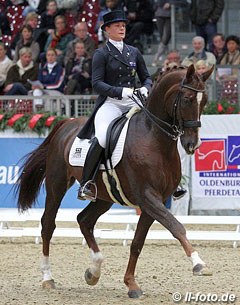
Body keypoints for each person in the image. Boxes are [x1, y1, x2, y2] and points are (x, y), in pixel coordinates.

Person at [77, 10, 152, 201]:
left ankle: (174, 182)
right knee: (101, 137)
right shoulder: (101, 53)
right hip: (112, 103)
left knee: (159, 128)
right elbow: (97, 83)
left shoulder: (133, 52)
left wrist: (145, 88)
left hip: (134, 101)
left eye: (124, 25)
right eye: (117, 26)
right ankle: (86, 183)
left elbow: (147, 77)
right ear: (107, 30)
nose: (122, 28)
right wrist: (120, 91)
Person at [152, 0, 171, 67]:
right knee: (163, 37)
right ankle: (167, 58)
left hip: (171, 15)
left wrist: (170, 3)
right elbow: (157, 3)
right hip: (159, 14)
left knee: (166, 37)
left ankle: (157, 57)